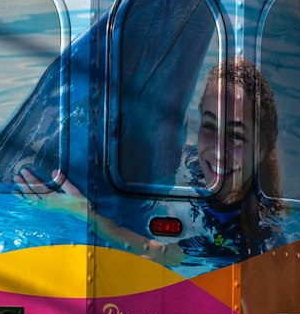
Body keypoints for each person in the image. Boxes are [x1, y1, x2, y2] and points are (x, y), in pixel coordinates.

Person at [18, 59, 284, 261]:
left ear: (260, 150)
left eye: (236, 135)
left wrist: (84, 213)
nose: (217, 150)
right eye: (209, 127)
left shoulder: (252, 233)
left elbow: (166, 255)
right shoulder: (192, 161)